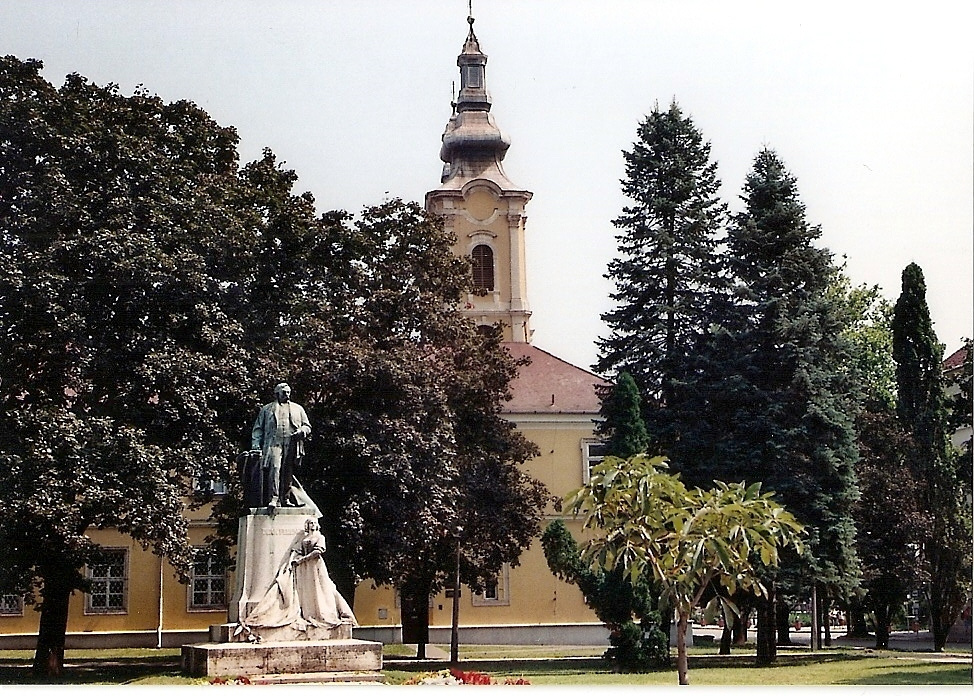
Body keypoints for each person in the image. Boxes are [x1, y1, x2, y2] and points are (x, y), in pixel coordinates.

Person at [242, 519, 357, 630]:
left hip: (314, 565)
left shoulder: (320, 537)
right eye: (310, 523)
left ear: (317, 525)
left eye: (314, 523)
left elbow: (319, 551)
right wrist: (292, 561)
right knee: (306, 590)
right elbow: (296, 549)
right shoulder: (304, 537)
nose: (312, 525)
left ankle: (319, 613)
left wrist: (302, 560)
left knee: (318, 589)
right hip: (304, 567)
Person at [250, 382, 311, 509]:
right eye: (284, 393)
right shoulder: (267, 409)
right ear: (277, 394)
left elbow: (307, 426)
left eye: (288, 392)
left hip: (291, 444)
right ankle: (274, 498)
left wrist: (302, 431)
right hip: (273, 443)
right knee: (275, 468)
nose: (287, 395)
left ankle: (286, 498)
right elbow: (258, 429)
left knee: (287, 472)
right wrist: (256, 444)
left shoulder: (298, 409)